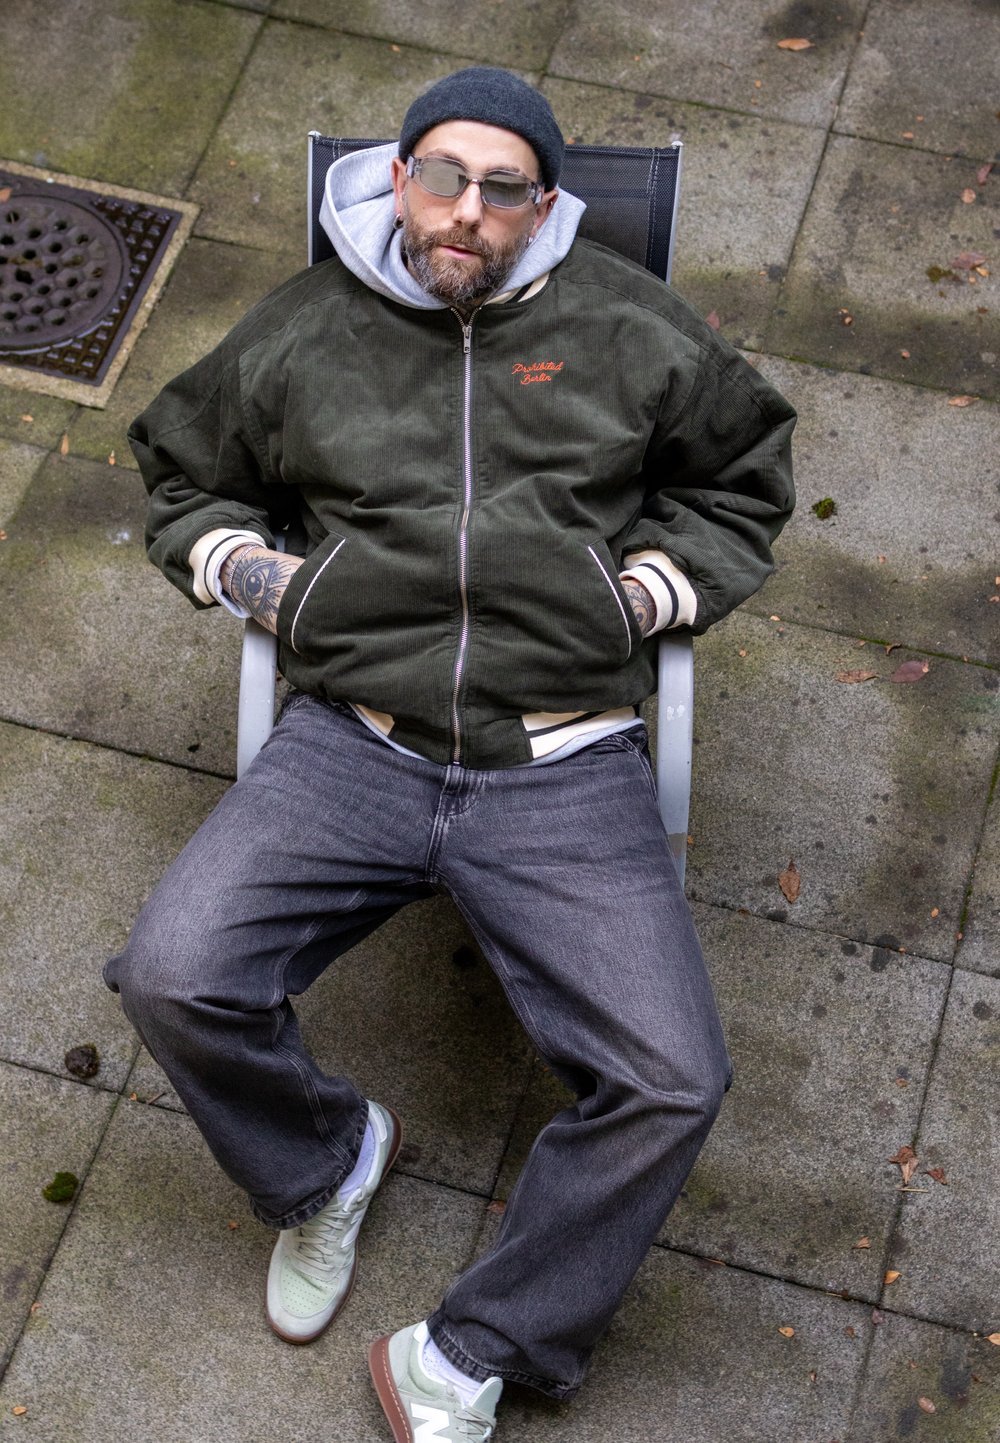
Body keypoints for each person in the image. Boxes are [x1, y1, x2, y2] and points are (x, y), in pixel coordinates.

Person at [105, 66, 795, 1443]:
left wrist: (642, 599)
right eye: (442, 175)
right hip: (355, 744)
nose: (465, 212)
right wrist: (261, 582)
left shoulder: (629, 327)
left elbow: (742, 480)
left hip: (561, 760)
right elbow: (184, 477)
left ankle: (473, 1348)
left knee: (673, 1079)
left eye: (503, 188)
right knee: (174, 976)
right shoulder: (304, 331)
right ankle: (325, 1166)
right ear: (397, 177)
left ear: (546, 206)